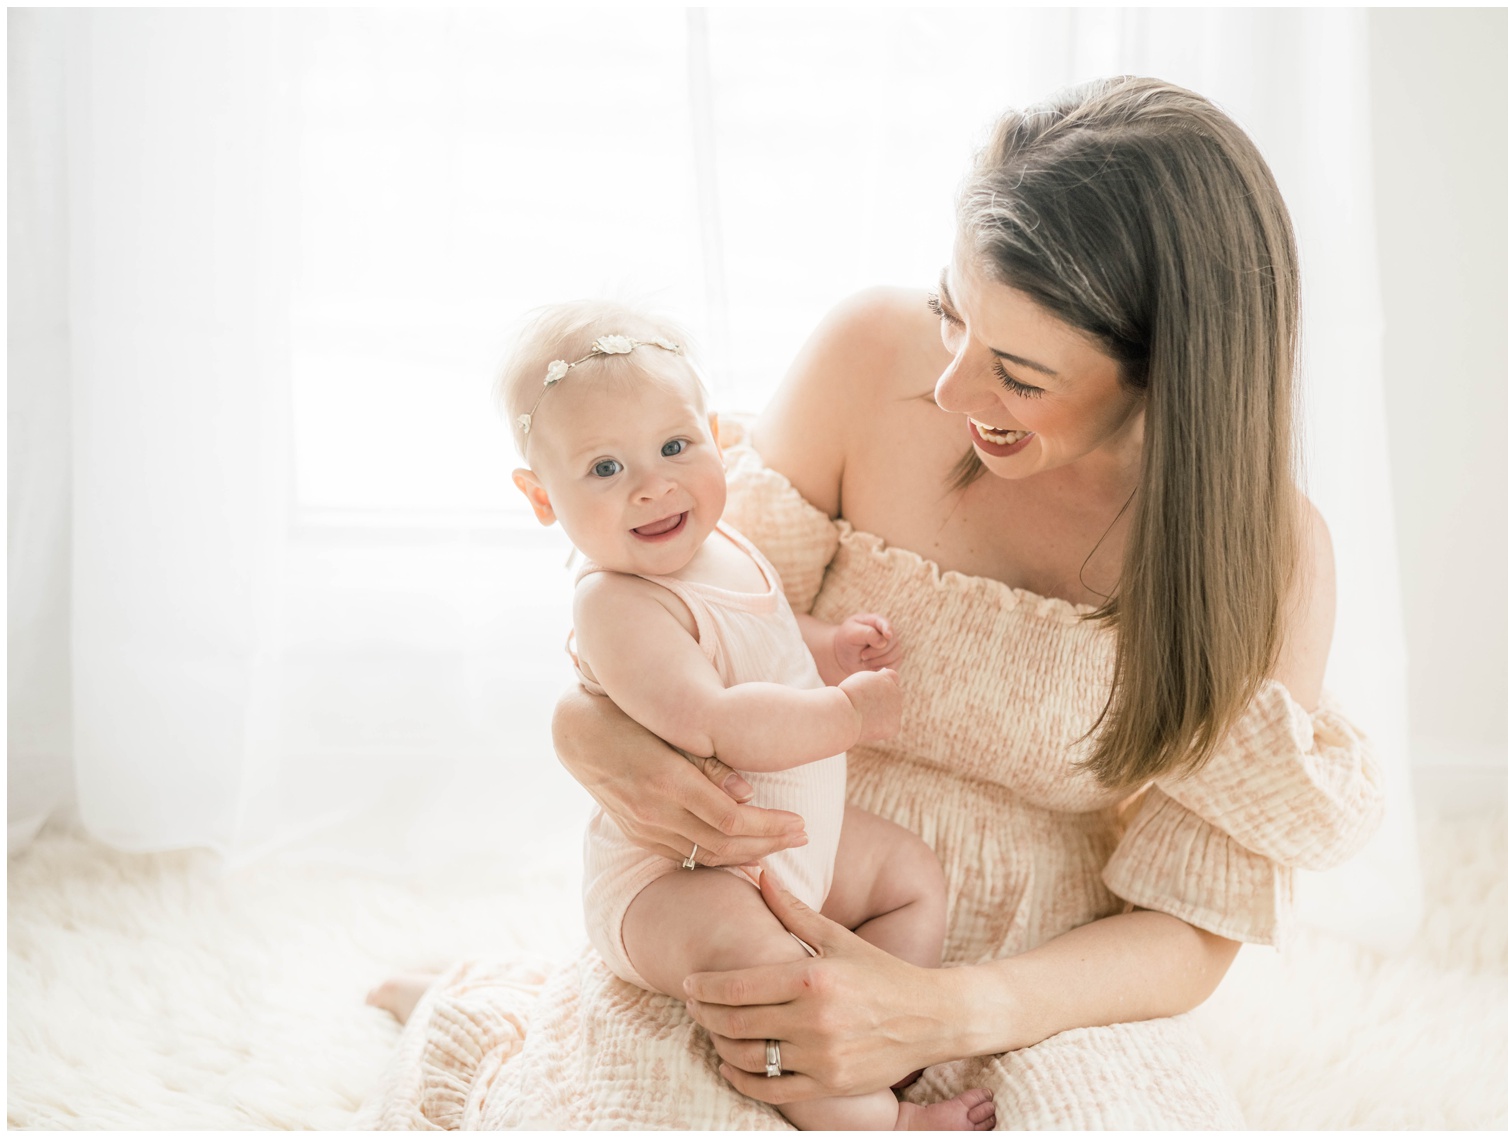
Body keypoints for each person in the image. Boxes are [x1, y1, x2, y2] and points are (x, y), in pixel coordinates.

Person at [361, 75, 1383, 1129]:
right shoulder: (865, 357)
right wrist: (584, 728)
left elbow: (1190, 924)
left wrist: (939, 1010)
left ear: (1168, 373)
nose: (946, 393)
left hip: (1047, 984)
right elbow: (691, 614)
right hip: (776, 886)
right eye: (952, 315)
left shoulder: (1267, 559)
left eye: (1016, 375)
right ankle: (504, 1004)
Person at [487, 301, 993, 1131]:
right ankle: (871, 1120)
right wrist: (844, 715)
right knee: (772, 973)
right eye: (604, 469)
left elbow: (759, 637)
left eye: (674, 447)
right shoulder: (614, 604)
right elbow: (717, 719)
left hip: (782, 848)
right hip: (674, 884)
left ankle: (885, 1049)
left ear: (716, 435)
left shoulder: (718, 545)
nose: (653, 483)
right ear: (542, 497)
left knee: (910, 878)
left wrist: (828, 648)